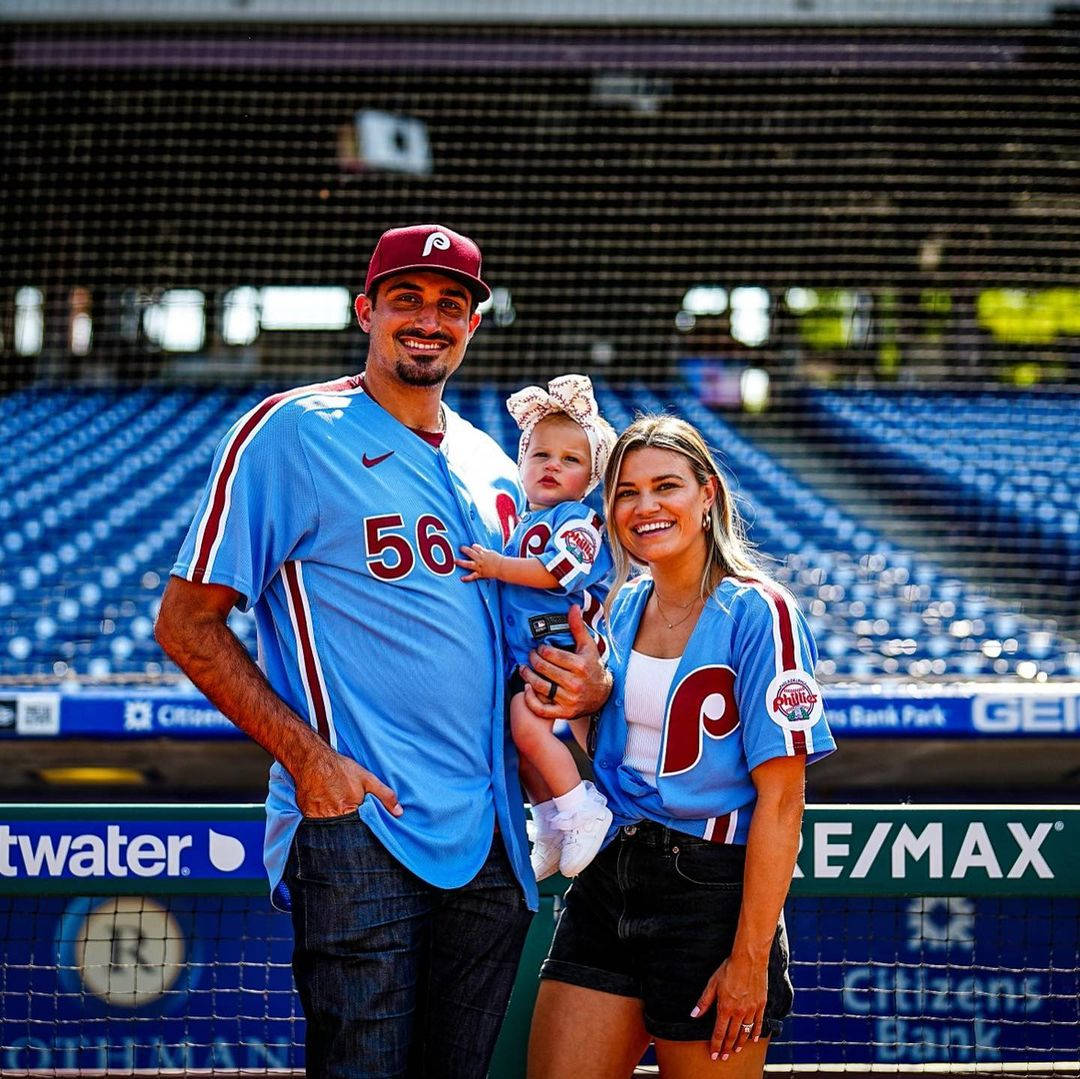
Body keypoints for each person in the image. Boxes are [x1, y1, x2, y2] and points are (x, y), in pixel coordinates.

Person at [154, 223, 612, 1079]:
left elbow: (544, 620)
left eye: (452, 303)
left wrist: (592, 679)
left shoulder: (495, 463)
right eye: (407, 298)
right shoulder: (290, 431)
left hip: (490, 835)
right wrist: (310, 761)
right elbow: (186, 621)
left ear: (474, 324)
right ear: (366, 308)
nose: (429, 319)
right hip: (362, 817)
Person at [528, 415, 836, 1079]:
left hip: (711, 893)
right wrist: (580, 706)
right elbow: (616, 751)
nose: (645, 506)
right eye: (626, 491)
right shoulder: (621, 605)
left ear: (708, 495)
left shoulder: (761, 612)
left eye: (665, 485)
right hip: (612, 874)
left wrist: (750, 959)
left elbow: (782, 801)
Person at [456, 374, 617, 880]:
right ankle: (548, 823)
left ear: (589, 478)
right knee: (518, 741)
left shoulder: (578, 522)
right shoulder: (518, 522)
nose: (553, 466)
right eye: (541, 455)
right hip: (526, 649)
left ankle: (581, 808)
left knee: (528, 727)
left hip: (558, 643)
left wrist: (497, 567)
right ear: (520, 464)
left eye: (571, 461)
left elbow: (558, 572)